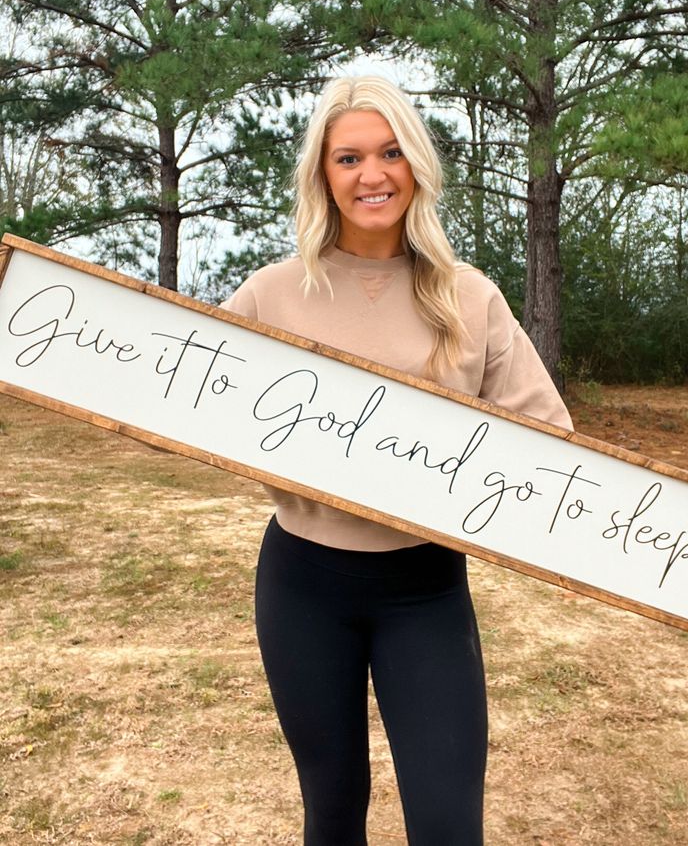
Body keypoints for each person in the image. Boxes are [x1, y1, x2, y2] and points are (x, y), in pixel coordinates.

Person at [221, 75, 573, 846]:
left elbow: (551, 447)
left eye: (388, 153)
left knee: (449, 825)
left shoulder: (470, 297)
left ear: (415, 164)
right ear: (323, 173)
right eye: (348, 158)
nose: (370, 174)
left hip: (426, 591)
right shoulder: (269, 293)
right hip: (304, 584)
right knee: (335, 809)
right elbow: (196, 401)